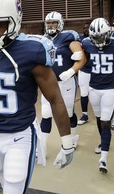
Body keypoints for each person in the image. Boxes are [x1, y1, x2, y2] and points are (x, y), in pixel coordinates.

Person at [0, 0, 75, 194]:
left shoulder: (31, 50)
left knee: (13, 187)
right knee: (4, 182)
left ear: (14, 22)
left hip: (20, 134)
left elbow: (55, 98)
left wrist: (67, 142)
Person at [83, 17, 114, 173]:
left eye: (100, 36)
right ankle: (102, 141)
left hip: (109, 88)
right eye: (95, 37)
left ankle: (103, 158)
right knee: (98, 118)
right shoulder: (86, 43)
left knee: (105, 122)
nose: (97, 39)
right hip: (93, 88)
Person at [40, 11, 87, 155]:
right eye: (49, 22)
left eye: (53, 22)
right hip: (48, 82)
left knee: (68, 112)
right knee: (46, 113)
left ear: (60, 23)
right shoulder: (42, 39)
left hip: (66, 82)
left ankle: (73, 137)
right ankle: (41, 146)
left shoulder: (68, 37)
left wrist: (71, 71)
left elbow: (82, 59)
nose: (51, 25)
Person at [77, 22, 92, 125]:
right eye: (84, 28)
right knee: (84, 93)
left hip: (96, 70)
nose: (86, 29)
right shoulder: (79, 39)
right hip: (84, 70)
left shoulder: (97, 38)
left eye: (88, 28)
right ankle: (84, 114)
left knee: (98, 93)